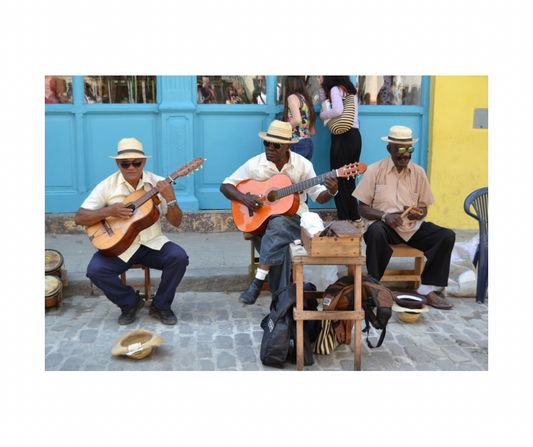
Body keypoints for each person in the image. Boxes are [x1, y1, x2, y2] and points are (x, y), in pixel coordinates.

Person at [220, 120, 338, 305]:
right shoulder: (255, 164)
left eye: (275, 145)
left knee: (280, 224)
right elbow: (226, 185)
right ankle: (280, 304)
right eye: (267, 143)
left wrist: (331, 191)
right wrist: (245, 199)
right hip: (261, 224)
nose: (269, 149)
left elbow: (318, 196)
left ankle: (260, 282)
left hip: (295, 221)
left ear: (287, 147)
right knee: (279, 242)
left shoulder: (303, 165)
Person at [74, 138, 189, 325]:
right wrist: (109, 211)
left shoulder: (158, 183)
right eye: (125, 163)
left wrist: (171, 198)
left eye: (136, 162)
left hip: (152, 243)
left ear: (144, 162)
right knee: (95, 270)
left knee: (179, 257)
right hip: (120, 247)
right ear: (117, 163)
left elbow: (176, 222)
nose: (131, 167)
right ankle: (130, 303)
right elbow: (79, 217)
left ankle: (161, 305)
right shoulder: (107, 185)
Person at [352, 125, 455, 310]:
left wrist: (419, 213)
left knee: (446, 235)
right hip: (385, 227)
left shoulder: (418, 172)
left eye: (409, 149)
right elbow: (362, 208)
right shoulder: (375, 170)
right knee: (375, 231)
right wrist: (384, 216)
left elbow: (424, 207)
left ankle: (425, 290)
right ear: (389, 148)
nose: (405, 154)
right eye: (400, 149)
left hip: (411, 227)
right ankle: (374, 286)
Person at [318, 76, 363, 225]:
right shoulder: (350, 91)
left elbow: (337, 110)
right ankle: (354, 217)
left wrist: (322, 115)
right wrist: (320, 87)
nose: (320, 76)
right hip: (355, 136)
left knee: (338, 177)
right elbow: (326, 103)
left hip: (342, 137)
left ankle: (343, 218)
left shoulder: (335, 90)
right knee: (350, 178)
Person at [282, 76, 316, 161]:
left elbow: (297, 119)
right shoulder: (307, 100)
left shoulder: (292, 97)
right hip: (308, 143)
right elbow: (312, 132)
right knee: (303, 173)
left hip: (296, 142)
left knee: (293, 173)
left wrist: (282, 129)